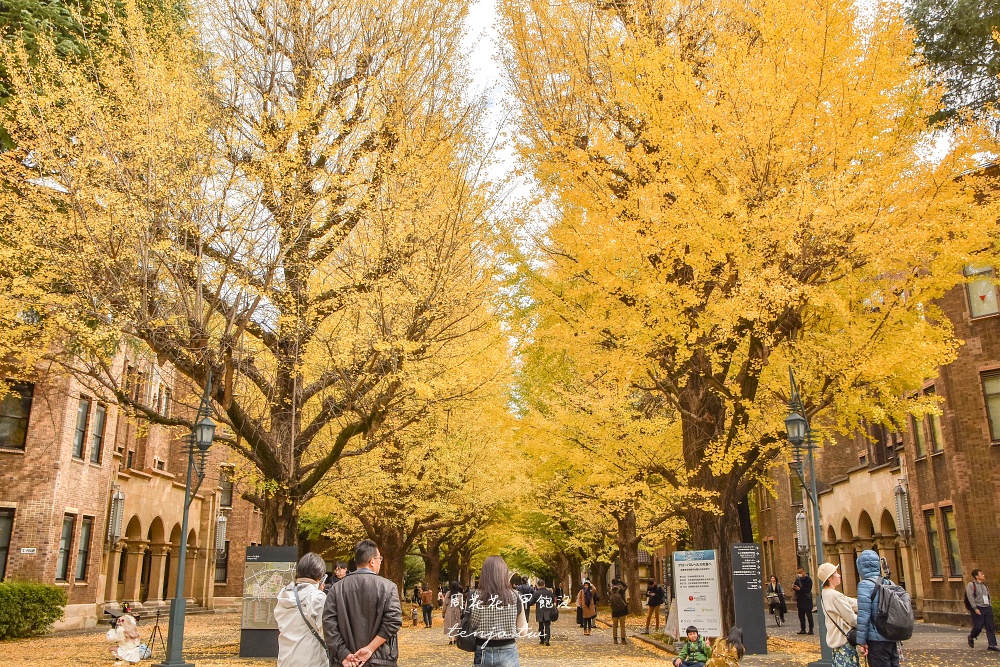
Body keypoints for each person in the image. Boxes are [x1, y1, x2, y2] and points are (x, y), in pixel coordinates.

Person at [323, 539, 402, 667]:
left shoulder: (336, 589)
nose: (380, 562)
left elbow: (329, 624)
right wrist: (370, 648)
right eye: (379, 559)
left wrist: (344, 654)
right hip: (380, 660)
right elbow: (393, 621)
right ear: (372, 561)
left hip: (345, 663)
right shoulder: (388, 587)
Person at [468, 555, 529, 666]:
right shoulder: (515, 596)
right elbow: (523, 631)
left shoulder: (475, 596)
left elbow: (471, 625)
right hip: (508, 651)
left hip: (482, 650)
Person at [275, 552, 329, 667]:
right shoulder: (317, 598)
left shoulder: (284, 595)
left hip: (285, 660)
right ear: (320, 577)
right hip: (311, 661)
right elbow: (326, 632)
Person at [855, 549, 897, 667]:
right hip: (892, 638)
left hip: (876, 640)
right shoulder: (889, 582)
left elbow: (864, 615)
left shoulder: (864, 585)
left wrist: (862, 641)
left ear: (861, 567)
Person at [818, 562, 860, 667]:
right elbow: (852, 620)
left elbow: (852, 603)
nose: (839, 575)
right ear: (830, 578)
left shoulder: (825, 594)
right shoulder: (835, 596)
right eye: (836, 573)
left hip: (837, 643)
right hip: (844, 641)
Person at [967, 568, 998, 651]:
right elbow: (970, 597)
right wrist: (975, 608)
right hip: (978, 607)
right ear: (977, 576)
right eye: (981, 574)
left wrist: (990, 605)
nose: (983, 575)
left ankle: (992, 645)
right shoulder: (971, 585)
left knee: (990, 626)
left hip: (987, 607)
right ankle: (971, 636)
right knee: (978, 626)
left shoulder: (984, 585)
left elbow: (988, 596)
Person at [529, 579, 556, 646]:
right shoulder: (549, 592)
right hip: (548, 611)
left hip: (540, 611)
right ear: (544, 585)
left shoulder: (536, 593)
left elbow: (531, 602)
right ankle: (547, 639)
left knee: (541, 626)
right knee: (547, 626)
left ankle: (542, 639)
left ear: (538, 585)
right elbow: (553, 599)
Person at [793, 567, 814, 634]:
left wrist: (800, 589)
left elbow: (808, 590)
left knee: (809, 615)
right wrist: (794, 587)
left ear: (803, 572)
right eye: (797, 573)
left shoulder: (808, 580)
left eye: (799, 573)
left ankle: (811, 629)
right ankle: (803, 629)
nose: (798, 574)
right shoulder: (798, 579)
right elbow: (796, 586)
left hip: (807, 600)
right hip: (800, 599)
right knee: (801, 615)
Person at [444, 581, 465, 645]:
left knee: (449, 624)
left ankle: (450, 639)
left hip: (449, 611)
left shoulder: (448, 594)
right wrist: (461, 612)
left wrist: (443, 612)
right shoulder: (460, 595)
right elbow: (461, 605)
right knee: (456, 625)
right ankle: (455, 639)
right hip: (457, 611)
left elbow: (445, 604)